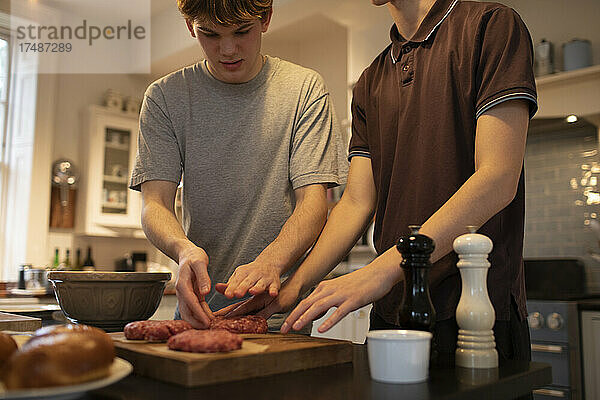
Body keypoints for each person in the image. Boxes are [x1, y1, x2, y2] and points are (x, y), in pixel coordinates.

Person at [219, 0, 537, 368]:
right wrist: (292, 288)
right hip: (392, 314)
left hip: (477, 314)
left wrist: (378, 272)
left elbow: (497, 178)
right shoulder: (371, 80)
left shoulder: (490, 26)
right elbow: (355, 203)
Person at [129, 0, 347, 330]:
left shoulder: (304, 89)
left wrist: (272, 260)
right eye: (210, 34)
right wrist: (184, 251)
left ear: (266, 19)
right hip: (198, 313)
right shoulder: (165, 97)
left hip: (278, 316)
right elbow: (154, 204)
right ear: (191, 27)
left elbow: (313, 203)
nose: (228, 49)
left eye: (241, 31)